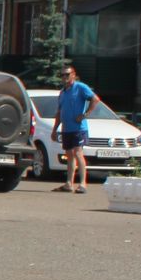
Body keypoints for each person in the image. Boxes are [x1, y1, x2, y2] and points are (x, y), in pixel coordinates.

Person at [53, 63, 106, 193]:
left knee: (78, 153)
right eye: (62, 75)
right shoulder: (63, 92)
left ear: (73, 75)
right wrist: (55, 129)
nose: (64, 77)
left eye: (67, 74)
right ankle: (69, 183)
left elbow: (95, 99)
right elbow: (59, 112)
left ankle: (82, 184)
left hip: (79, 128)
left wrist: (85, 114)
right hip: (67, 128)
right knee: (69, 155)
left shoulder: (80, 87)